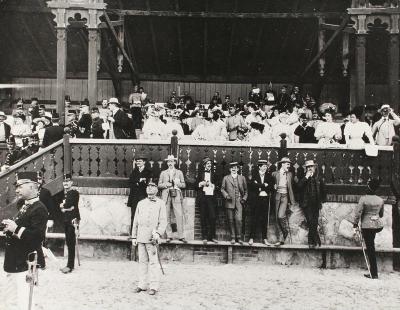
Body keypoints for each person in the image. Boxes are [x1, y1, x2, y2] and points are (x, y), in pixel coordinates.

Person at [2, 171, 48, 310]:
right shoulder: (25, 204)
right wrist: (9, 226)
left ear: (33, 187)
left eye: (20, 186)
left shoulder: (39, 208)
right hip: (14, 261)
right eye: (17, 186)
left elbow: (37, 237)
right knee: (10, 300)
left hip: (25, 262)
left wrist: (16, 229)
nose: (17, 190)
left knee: (25, 301)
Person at [131, 181, 167, 296]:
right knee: (142, 262)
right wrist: (134, 236)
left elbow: (163, 221)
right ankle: (142, 285)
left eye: (153, 186)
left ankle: (154, 286)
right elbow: (135, 220)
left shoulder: (161, 203)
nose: (150, 188)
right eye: (148, 186)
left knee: (153, 262)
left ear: (157, 189)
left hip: (152, 238)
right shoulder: (141, 203)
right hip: (141, 237)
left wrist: (158, 233)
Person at [350, 178, 384, 279]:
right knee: (371, 247)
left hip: (367, 226)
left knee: (370, 249)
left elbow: (358, 213)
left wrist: (355, 224)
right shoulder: (380, 200)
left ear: (369, 187)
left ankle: (374, 273)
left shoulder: (363, 199)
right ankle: (374, 272)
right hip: (376, 226)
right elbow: (381, 215)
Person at [158, 155, 187, 243]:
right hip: (166, 195)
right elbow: (159, 185)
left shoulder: (179, 172)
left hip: (176, 194)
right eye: (168, 162)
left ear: (175, 162)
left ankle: (181, 236)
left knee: (179, 214)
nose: (170, 163)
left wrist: (177, 184)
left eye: (172, 161)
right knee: (166, 215)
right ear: (167, 163)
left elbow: (184, 185)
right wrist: (166, 184)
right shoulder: (163, 173)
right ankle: (169, 235)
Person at [297, 160, 326, 248]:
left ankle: (312, 242)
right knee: (310, 221)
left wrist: (322, 200)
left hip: (316, 204)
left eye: (311, 167)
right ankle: (316, 240)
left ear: (314, 168)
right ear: (306, 169)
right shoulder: (303, 177)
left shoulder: (318, 178)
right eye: (308, 167)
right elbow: (298, 187)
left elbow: (323, 190)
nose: (310, 168)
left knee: (314, 222)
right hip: (306, 204)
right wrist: (306, 177)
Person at [248, 160, 275, 246]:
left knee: (264, 219)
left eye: (266, 166)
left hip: (265, 199)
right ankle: (251, 238)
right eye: (263, 166)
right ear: (259, 167)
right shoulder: (254, 175)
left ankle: (264, 239)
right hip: (256, 200)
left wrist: (259, 186)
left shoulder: (269, 176)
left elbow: (271, 186)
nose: (265, 167)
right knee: (254, 219)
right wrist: (263, 185)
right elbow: (252, 186)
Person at [221, 162, 248, 245]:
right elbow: (222, 189)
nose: (234, 169)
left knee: (239, 220)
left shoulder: (242, 178)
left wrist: (244, 198)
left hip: (239, 201)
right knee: (231, 220)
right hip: (229, 201)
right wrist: (226, 196)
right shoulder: (226, 178)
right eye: (232, 167)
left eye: (235, 167)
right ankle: (233, 237)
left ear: (238, 169)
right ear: (230, 169)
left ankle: (239, 238)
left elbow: (246, 191)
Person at [272, 157, 296, 245]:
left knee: (280, 216)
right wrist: (273, 186)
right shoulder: (274, 174)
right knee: (276, 218)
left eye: (289, 164)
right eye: (287, 164)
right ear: (282, 164)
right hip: (277, 196)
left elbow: (293, 185)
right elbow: (270, 184)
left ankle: (285, 232)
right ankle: (281, 239)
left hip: (285, 197)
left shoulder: (290, 174)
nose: (289, 166)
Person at [36, 171, 58, 269]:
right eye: (36, 179)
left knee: (40, 240)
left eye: (39, 179)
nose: (38, 181)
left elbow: (51, 207)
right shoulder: (30, 191)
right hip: (31, 219)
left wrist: (51, 219)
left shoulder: (45, 192)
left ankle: (41, 262)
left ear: (42, 180)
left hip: (42, 219)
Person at [59, 174, 80, 274]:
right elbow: (62, 206)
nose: (65, 183)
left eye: (68, 181)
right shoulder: (66, 193)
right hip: (67, 219)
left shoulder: (73, 192)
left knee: (71, 243)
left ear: (71, 182)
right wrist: (65, 207)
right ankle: (69, 265)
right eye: (64, 181)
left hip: (73, 220)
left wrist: (64, 206)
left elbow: (67, 205)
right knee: (69, 242)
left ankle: (70, 266)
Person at [127, 153, 153, 229]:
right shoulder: (134, 172)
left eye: (140, 161)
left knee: (144, 215)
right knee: (134, 214)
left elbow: (149, 184)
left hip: (144, 196)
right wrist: (139, 181)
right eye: (137, 161)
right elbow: (130, 183)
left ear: (144, 162)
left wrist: (140, 182)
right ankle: (133, 233)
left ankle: (143, 232)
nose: (138, 162)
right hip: (134, 196)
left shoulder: (148, 172)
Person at [196, 157, 218, 244]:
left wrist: (213, 186)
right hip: (203, 198)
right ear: (204, 165)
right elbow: (195, 185)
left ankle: (212, 236)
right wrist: (200, 184)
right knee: (203, 217)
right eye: (208, 164)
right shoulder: (200, 174)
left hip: (211, 198)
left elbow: (219, 186)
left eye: (210, 164)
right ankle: (204, 237)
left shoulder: (214, 174)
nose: (209, 165)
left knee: (212, 217)